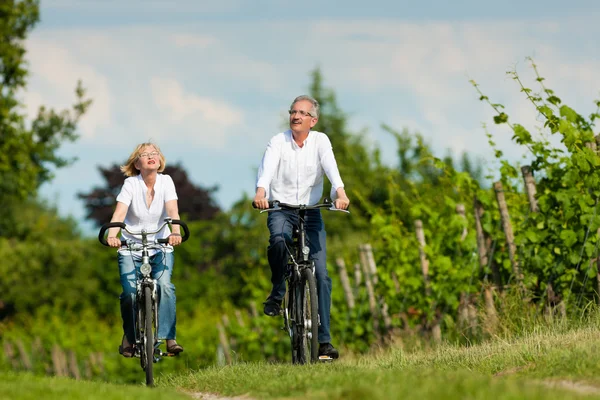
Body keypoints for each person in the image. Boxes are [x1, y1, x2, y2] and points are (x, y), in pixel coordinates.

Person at [253, 95, 350, 359]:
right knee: (278, 241)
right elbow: (267, 170)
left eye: (302, 113)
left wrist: (339, 192)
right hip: (281, 208)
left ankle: (324, 342)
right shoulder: (278, 141)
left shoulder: (321, 141)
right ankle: (278, 289)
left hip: (311, 212)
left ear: (313, 120)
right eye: (293, 111)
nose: (296, 116)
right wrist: (261, 192)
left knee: (321, 274)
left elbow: (331, 168)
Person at [106, 142, 184, 357]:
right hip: (131, 248)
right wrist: (112, 235)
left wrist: (175, 231)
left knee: (166, 287)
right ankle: (130, 337)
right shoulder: (131, 184)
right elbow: (119, 214)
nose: (151, 156)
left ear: (159, 159)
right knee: (130, 295)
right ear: (137, 163)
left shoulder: (166, 181)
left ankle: (169, 337)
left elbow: (172, 210)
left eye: (155, 153)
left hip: (160, 246)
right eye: (145, 154)